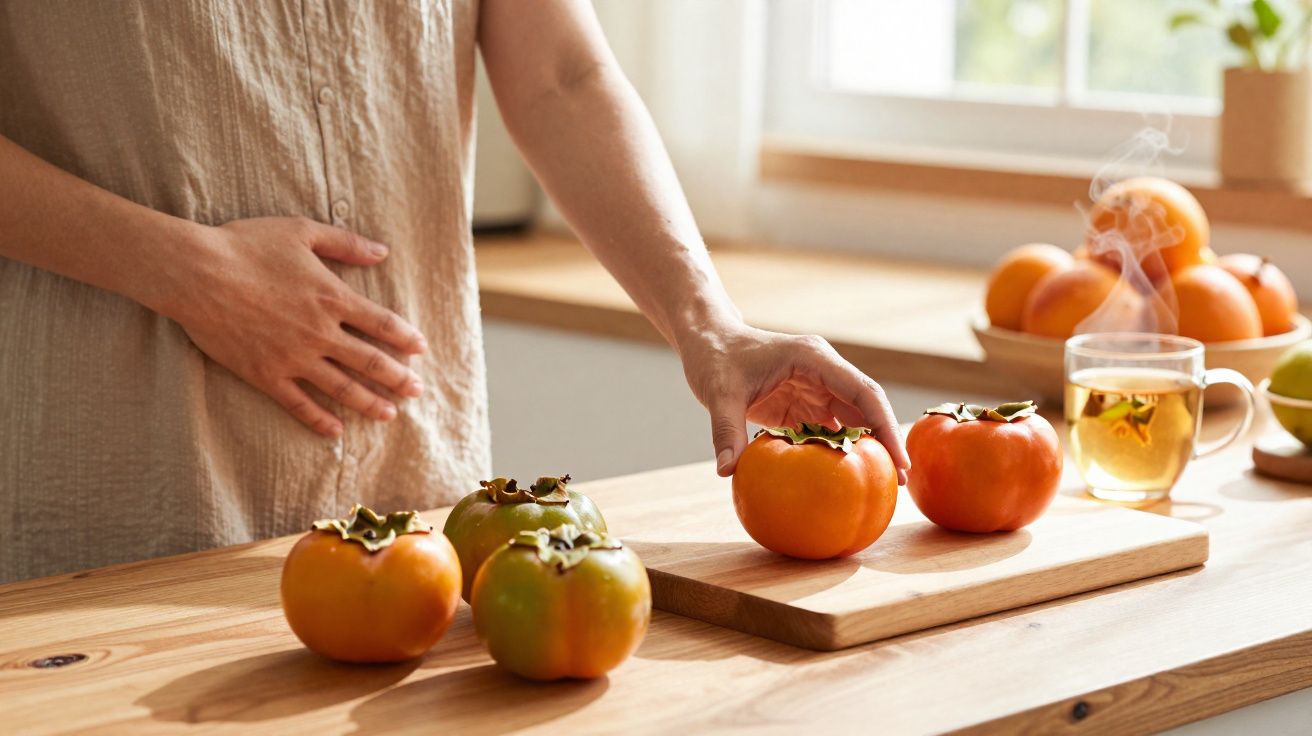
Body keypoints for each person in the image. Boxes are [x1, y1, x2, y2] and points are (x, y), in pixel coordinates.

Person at [0, 0, 909, 583]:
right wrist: (188, 273)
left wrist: (710, 323)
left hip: (416, 481)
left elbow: (562, 75)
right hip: (120, 473)